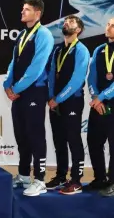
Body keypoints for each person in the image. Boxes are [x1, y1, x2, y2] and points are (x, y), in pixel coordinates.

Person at [3, 0, 54, 196]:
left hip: (34, 91)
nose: (22, 12)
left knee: (35, 136)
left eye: (27, 9)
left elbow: (36, 68)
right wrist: (7, 84)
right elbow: (13, 62)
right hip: (19, 92)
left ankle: (40, 179)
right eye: (23, 9)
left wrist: (17, 88)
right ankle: (24, 176)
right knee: (22, 136)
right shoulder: (22, 34)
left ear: (37, 13)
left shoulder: (45, 35)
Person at [46, 15, 89, 195]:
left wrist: (58, 98)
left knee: (73, 140)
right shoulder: (57, 50)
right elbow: (50, 76)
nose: (66, 23)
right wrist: (50, 97)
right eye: (66, 21)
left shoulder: (81, 50)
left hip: (71, 101)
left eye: (71, 22)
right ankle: (61, 175)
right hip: (55, 103)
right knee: (59, 141)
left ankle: (77, 180)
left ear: (78, 29)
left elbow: (77, 79)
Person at [86, 17, 114, 197]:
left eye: (113, 25)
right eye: (108, 24)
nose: (108, 27)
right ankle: (99, 178)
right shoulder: (99, 49)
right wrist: (96, 97)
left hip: (110, 102)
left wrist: (103, 97)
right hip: (98, 105)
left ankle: (112, 182)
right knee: (94, 141)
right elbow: (91, 77)